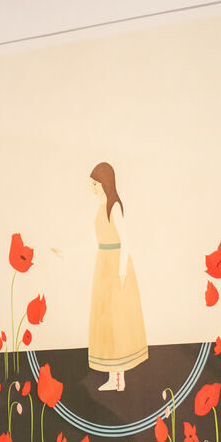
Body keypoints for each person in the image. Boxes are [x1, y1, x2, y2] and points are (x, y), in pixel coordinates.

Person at [86, 161, 147, 391]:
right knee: (106, 321)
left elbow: (126, 242)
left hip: (115, 267)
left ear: (105, 182)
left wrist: (121, 271)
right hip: (103, 266)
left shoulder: (114, 207)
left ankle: (119, 379)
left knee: (116, 320)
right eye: (91, 184)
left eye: (95, 183)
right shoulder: (101, 207)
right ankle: (113, 377)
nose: (92, 188)